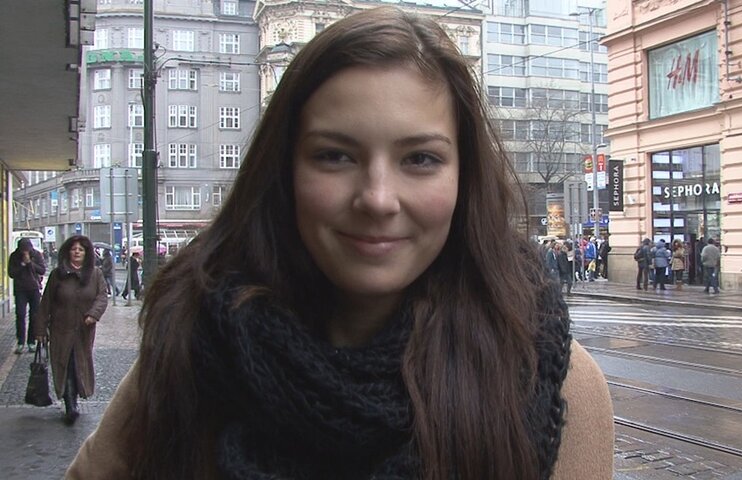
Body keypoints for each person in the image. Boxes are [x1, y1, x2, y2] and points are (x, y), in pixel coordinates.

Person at [66, 8, 613, 480]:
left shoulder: (547, 375)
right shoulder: (192, 344)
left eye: (420, 159)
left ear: (463, 178)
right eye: (335, 155)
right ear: (284, 170)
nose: (377, 198)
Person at [33, 235, 108, 425]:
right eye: (73, 249)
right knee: (64, 363)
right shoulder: (57, 275)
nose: (77, 252)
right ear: (68, 252)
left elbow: (102, 297)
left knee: (78, 364)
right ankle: (70, 404)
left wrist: (93, 314)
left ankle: (73, 398)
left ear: (87, 253)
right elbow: (46, 303)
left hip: (84, 330)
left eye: (81, 249)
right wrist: (40, 329)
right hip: (61, 328)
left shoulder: (95, 274)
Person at [7, 238, 47, 353]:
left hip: (34, 289)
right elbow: (11, 273)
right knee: (20, 314)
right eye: (23, 250)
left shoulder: (36, 255)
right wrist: (23, 264)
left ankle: (31, 341)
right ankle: (20, 342)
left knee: (34, 316)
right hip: (20, 290)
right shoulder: (14, 256)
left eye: (27, 250)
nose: (25, 252)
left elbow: (42, 270)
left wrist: (30, 263)